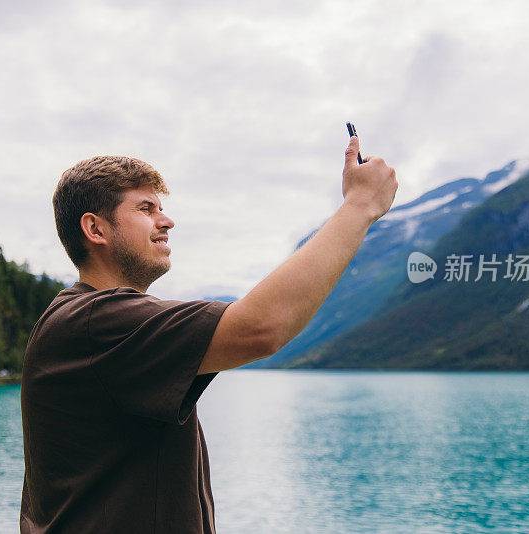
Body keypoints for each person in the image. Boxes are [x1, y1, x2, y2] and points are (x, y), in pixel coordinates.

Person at [20, 136, 397, 533]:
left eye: (162, 209)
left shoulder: (87, 322)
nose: (167, 221)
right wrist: (360, 205)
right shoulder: (98, 323)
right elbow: (260, 328)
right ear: (95, 229)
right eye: (146, 209)